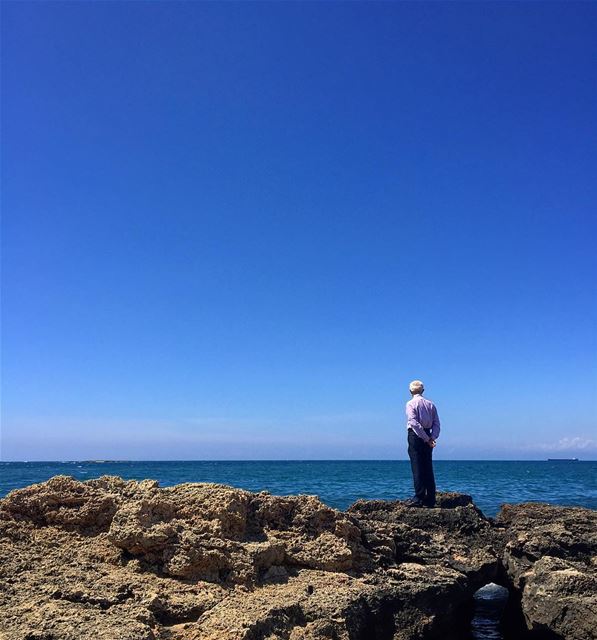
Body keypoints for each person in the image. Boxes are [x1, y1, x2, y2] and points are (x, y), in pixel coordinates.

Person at [405, 380, 440, 507]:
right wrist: (432, 437)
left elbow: (413, 423)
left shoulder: (410, 404)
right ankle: (430, 498)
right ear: (423, 391)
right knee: (428, 467)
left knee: (417, 466)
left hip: (415, 435)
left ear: (410, 391)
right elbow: (436, 423)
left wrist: (426, 438)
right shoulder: (431, 404)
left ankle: (419, 497)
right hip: (428, 434)